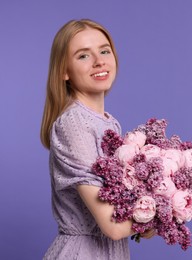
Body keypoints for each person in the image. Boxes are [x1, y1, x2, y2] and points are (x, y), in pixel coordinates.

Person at [40, 19, 154, 259]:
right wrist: (166, 211)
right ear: (64, 71)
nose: (99, 61)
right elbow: (113, 226)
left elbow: (123, 219)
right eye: (83, 56)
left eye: (104, 50)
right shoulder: (74, 122)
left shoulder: (108, 122)